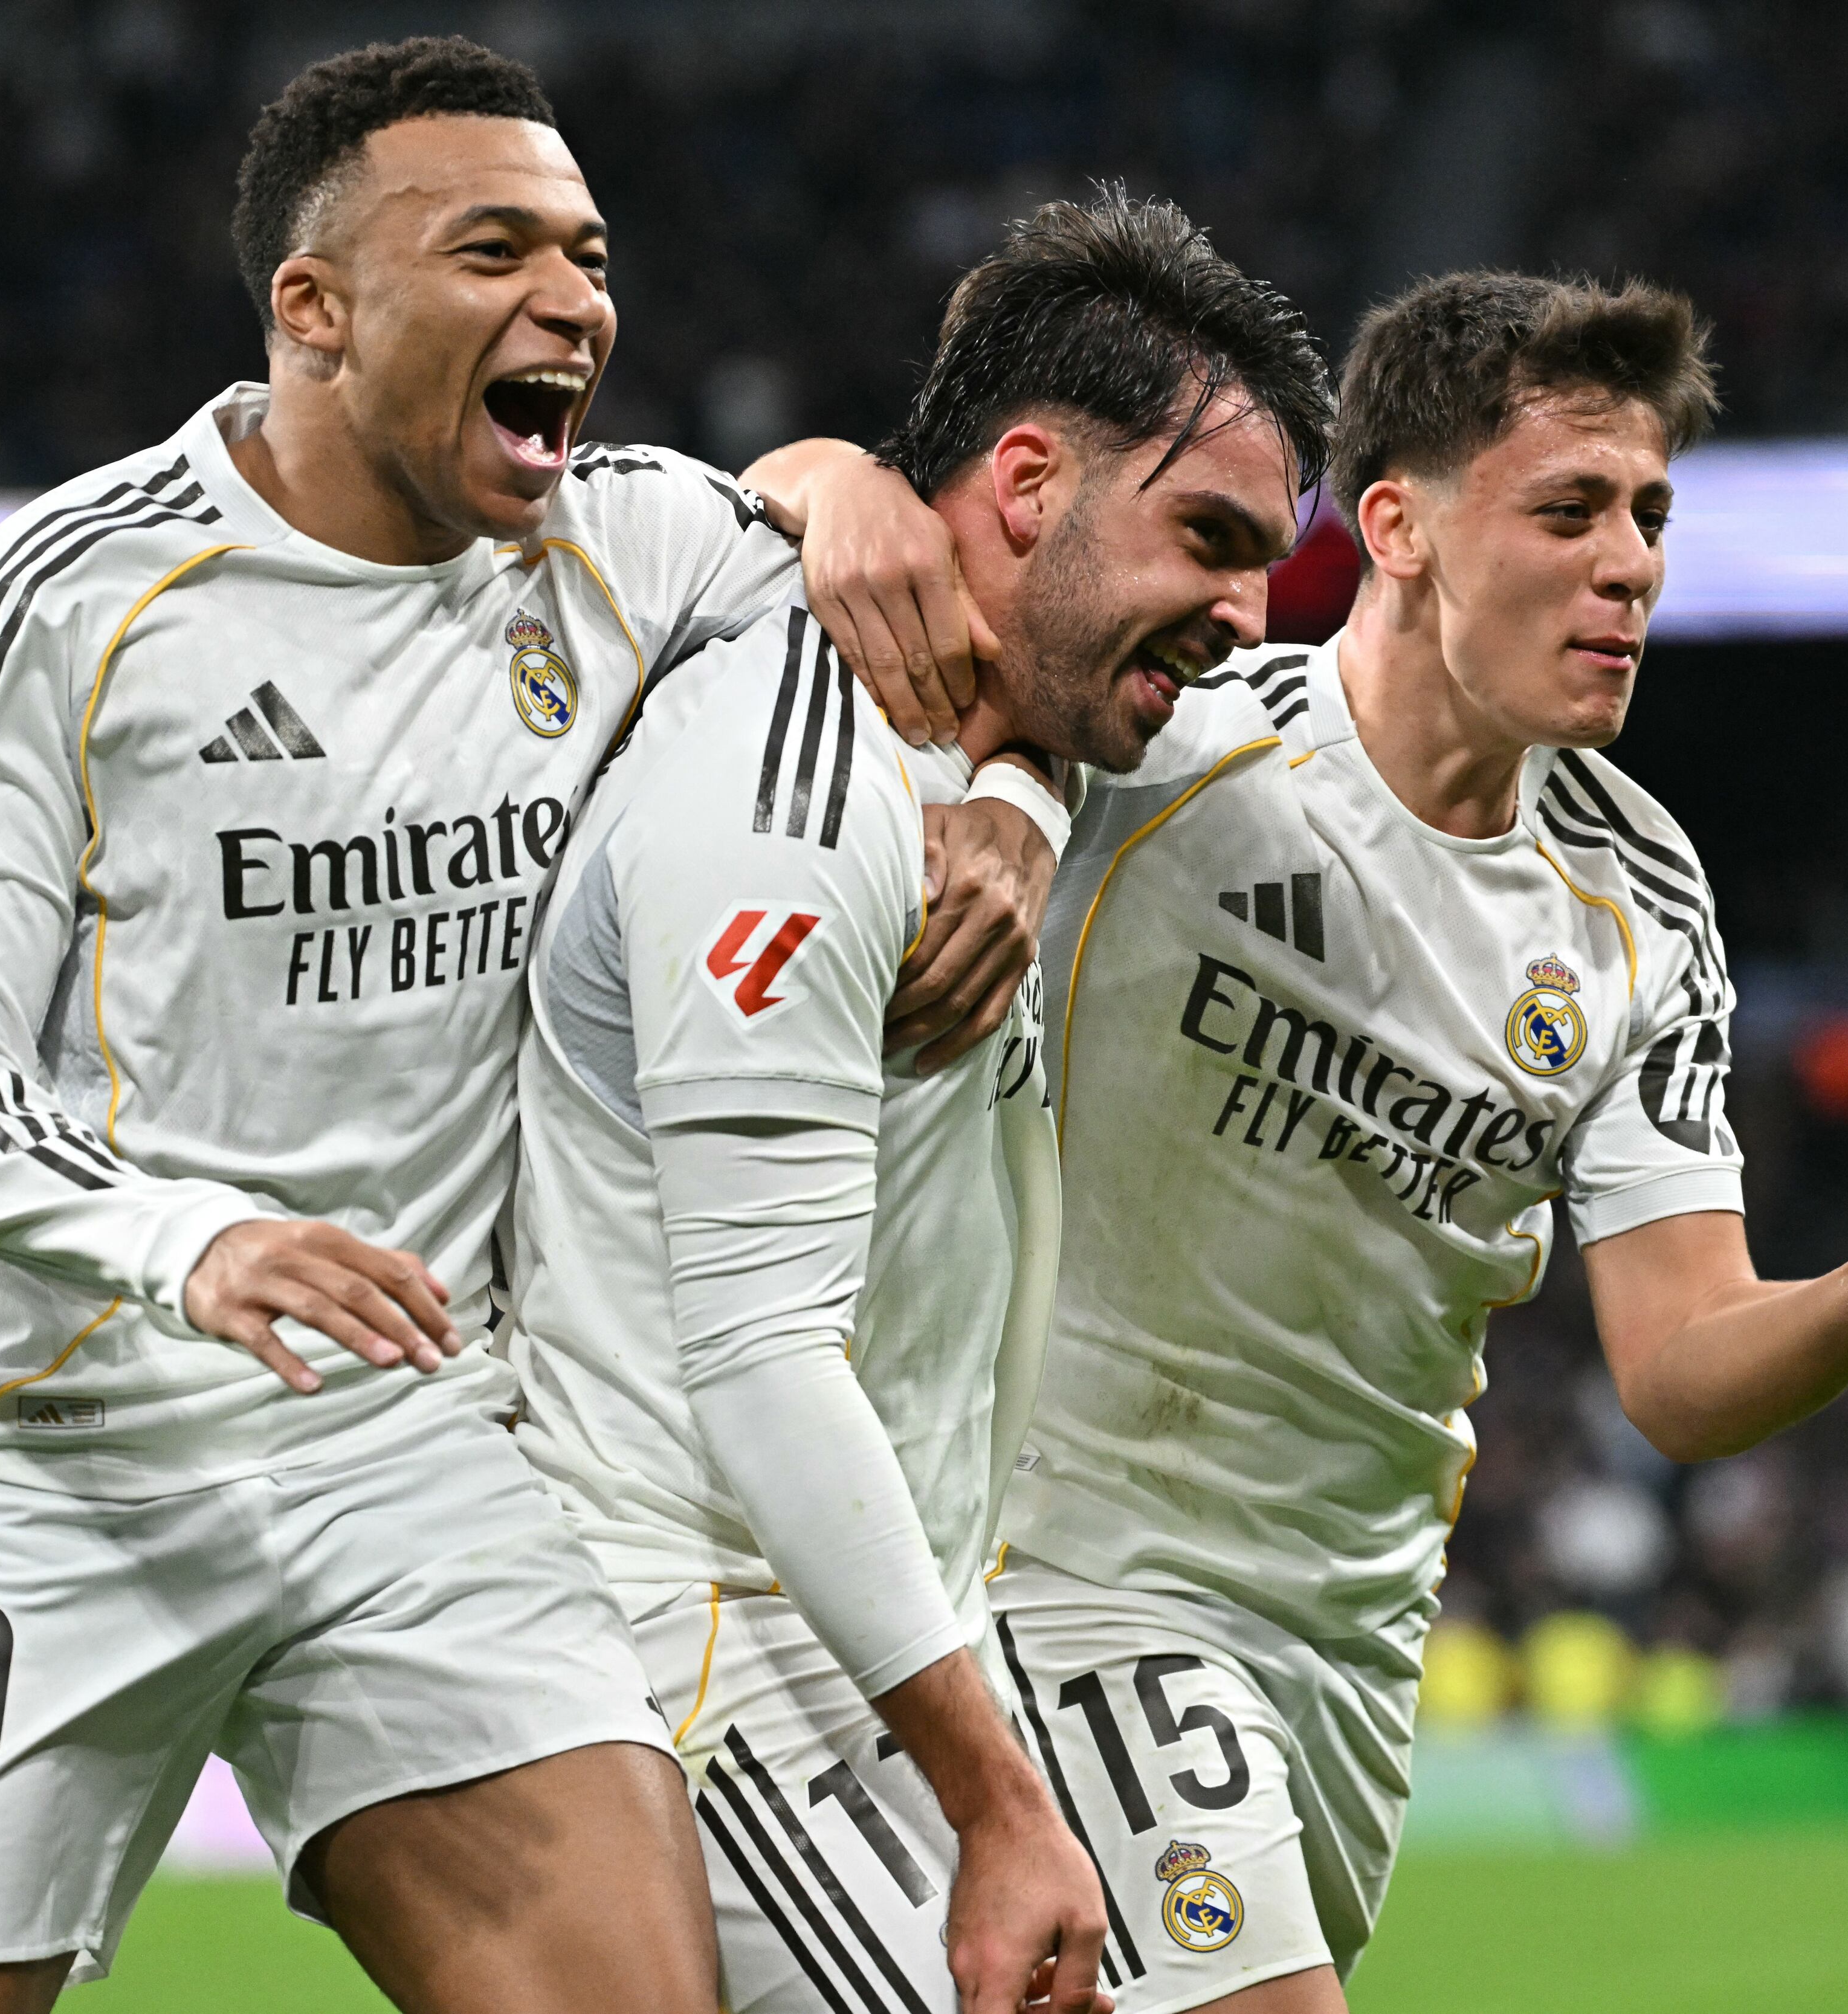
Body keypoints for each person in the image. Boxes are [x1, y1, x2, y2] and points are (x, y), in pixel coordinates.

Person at [0, 37, 1033, 2014]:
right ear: (315, 309)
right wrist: (195, 1239)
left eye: (593, 255)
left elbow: (901, 613)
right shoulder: (75, 597)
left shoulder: (621, 550)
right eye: (498, 250)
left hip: (412, 1452)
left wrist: (982, 785)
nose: (575, 302)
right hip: (51, 1453)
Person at [986, 272, 1848, 2013]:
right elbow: (868, 587)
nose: (1630, 560)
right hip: (1067, 1568)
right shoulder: (1169, 749)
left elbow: (1684, 1364)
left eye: (1649, 514)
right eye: (1569, 508)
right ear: (1395, 524)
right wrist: (825, 477)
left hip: (1348, 1640)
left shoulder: (1643, 906)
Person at [503, 193, 1333, 2014]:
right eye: (1209, 536)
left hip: (861, 1642)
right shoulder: (787, 795)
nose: (1243, 613)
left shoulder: (1015, 733)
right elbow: (762, 1364)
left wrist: (1026, 789)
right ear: (1028, 485)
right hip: (710, 1641)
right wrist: (1000, 1797)